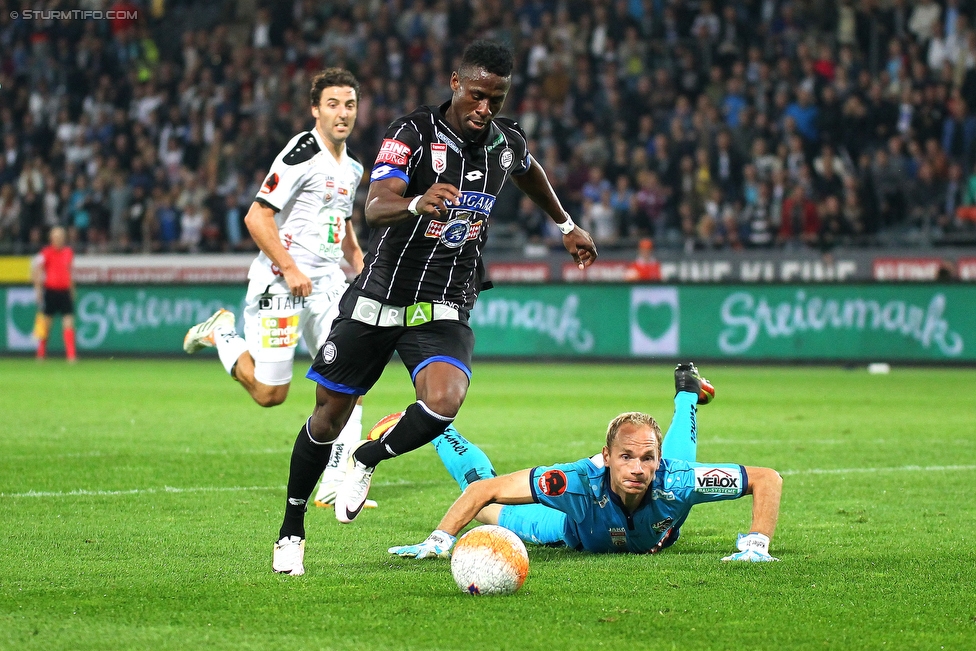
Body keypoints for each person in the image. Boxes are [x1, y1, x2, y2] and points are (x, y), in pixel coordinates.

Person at [271, 40, 598, 576]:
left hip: (445, 301)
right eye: (476, 95)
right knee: (327, 417)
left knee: (444, 401)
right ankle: (291, 527)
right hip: (379, 297)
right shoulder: (411, 134)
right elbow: (376, 207)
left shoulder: (506, 141)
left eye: (496, 98)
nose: (484, 109)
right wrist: (416, 202)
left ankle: (367, 457)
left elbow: (529, 171)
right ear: (454, 83)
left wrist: (565, 225)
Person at [181, 68, 372, 510]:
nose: (342, 113)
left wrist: (358, 260)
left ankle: (335, 482)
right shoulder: (301, 152)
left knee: (350, 380)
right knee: (271, 394)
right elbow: (256, 217)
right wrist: (289, 269)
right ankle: (222, 333)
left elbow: (341, 219)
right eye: (332, 104)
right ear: (314, 110)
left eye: (349, 104)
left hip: (327, 286)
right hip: (282, 285)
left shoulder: (354, 168)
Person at [388, 363, 783, 562]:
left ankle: (687, 391)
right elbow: (484, 489)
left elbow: (767, 478)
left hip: (667, 504)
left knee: (683, 467)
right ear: (607, 458)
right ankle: (438, 429)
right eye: (626, 457)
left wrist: (757, 544)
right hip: (567, 531)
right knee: (486, 511)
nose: (637, 469)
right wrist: (440, 540)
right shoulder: (575, 483)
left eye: (647, 458)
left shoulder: (674, 478)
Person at [32, 226, 77, 362]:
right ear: (51, 238)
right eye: (56, 237)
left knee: (68, 322)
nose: (58, 239)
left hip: (64, 291)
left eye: (61, 237)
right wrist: (38, 290)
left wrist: (72, 290)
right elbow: (37, 271)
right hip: (50, 290)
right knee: (45, 323)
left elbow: (70, 272)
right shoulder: (45, 253)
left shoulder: (68, 252)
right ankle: (41, 353)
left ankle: (71, 355)